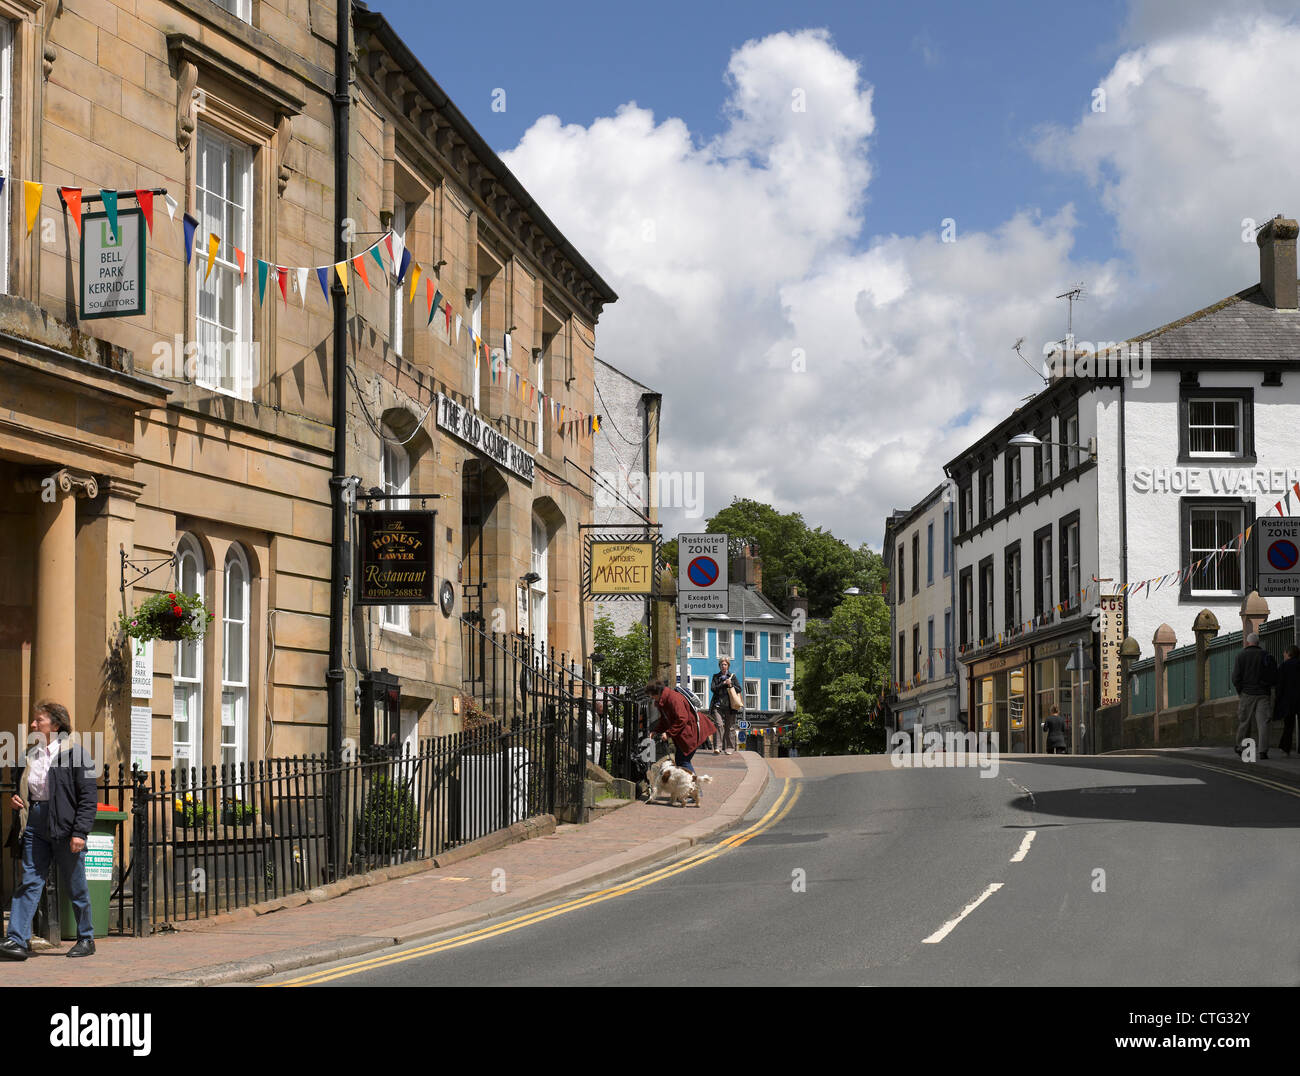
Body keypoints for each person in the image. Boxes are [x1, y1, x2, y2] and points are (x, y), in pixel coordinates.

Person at [2, 701, 99, 959]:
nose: (33, 724)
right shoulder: (29, 755)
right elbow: (25, 790)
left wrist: (80, 832)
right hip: (34, 822)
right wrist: (16, 800)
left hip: (66, 826)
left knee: (74, 883)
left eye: (39, 720)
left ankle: (86, 938)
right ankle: (17, 940)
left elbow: (89, 797)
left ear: (55, 725)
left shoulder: (77, 754)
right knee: (31, 880)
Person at [646, 679, 717, 776]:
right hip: (686, 733)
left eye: (652, 696)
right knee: (682, 761)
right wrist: (656, 731)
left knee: (683, 761)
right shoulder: (664, 700)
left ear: (657, 693)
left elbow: (682, 718)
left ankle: (694, 789)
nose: (652, 698)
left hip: (692, 732)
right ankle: (690, 788)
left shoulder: (673, 698)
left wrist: (668, 733)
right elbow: (665, 719)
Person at [1232, 633, 1277, 760]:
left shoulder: (1240, 656)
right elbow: (1274, 675)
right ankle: (1263, 751)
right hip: (1263, 694)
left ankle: (1242, 748)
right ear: (1258, 643)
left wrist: (1241, 691)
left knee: (1244, 722)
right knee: (1263, 723)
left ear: (1247, 642)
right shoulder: (1267, 655)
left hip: (1247, 693)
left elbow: (1235, 677)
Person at [709, 658, 742, 755]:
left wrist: (730, 684)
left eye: (725, 664)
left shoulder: (733, 677)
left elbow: (739, 689)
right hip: (718, 705)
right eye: (722, 664)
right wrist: (723, 683)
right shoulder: (716, 677)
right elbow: (713, 688)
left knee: (729, 727)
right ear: (719, 666)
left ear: (728, 666)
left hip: (730, 706)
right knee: (719, 725)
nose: (723, 666)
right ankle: (718, 747)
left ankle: (730, 748)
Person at [1275, 644, 1300, 758]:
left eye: (1284, 653)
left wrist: (1278, 700)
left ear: (1289, 653)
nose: (1283, 654)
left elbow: (1279, 686)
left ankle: (1286, 748)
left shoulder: (1284, 667)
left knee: (1288, 725)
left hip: (1288, 701)